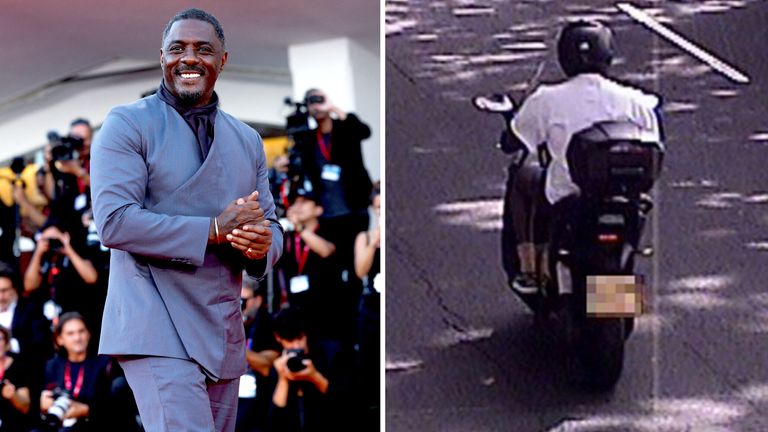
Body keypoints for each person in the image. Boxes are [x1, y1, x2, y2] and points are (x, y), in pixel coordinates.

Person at [90, 8, 284, 432]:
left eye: (203, 49)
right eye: (177, 49)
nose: (189, 58)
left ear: (223, 60)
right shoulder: (127, 124)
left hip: (222, 326)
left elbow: (272, 224)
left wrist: (260, 245)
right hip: (154, 319)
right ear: (162, 57)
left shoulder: (248, 139)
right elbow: (115, 222)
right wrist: (214, 230)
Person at [506, 20, 662, 293]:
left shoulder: (546, 99)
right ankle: (616, 297)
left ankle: (530, 268)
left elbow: (514, 141)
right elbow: (656, 143)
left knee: (521, 177)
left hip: (566, 196)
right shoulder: (637, 101)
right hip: (626, 200)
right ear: (607, 55)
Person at [291, 88, 373, 292]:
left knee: (355, 265)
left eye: (320, 100)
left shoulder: (345, 127)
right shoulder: (309, 139)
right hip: (327, 215)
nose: (316, 106)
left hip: (353, 210)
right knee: (333, 268)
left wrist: (334, 108)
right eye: (311, 102)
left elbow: (365, 131)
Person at [269, 307, 353, 432]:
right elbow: (274, 422)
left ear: (306, 334)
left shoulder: (331, 354)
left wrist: (315, 377)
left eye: (300, 338)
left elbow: (346, 404)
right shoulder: (279, 364)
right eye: (290, 340)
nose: (296, 346)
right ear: (278, 338)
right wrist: (283, 379)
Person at [37, 312, 110, 432]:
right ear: (60, 339)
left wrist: (86, 410)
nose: (77, 338)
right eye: (70, 334)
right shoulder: (53, 365)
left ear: (88, 334)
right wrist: (42, 403)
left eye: (81, 331)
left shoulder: (104, 364)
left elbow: (115, 406)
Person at [236, 278, 280, 432]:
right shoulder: (227, 320)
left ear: (257, 300)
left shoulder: (268, 323)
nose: (239, 306)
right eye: (235, 300)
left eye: (243, 300)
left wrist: (234, 341)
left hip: (259, 401)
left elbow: (267, 366)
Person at [353, 182, 380, 429]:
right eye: (378, 209)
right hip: (371, 305)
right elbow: (361, 269)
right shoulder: (366, 237)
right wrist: (374, 242)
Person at [0, 325, 32, 431]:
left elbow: (25, 406)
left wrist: (13, 395)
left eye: (0, 339)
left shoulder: (19, 366)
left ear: (6, 342)